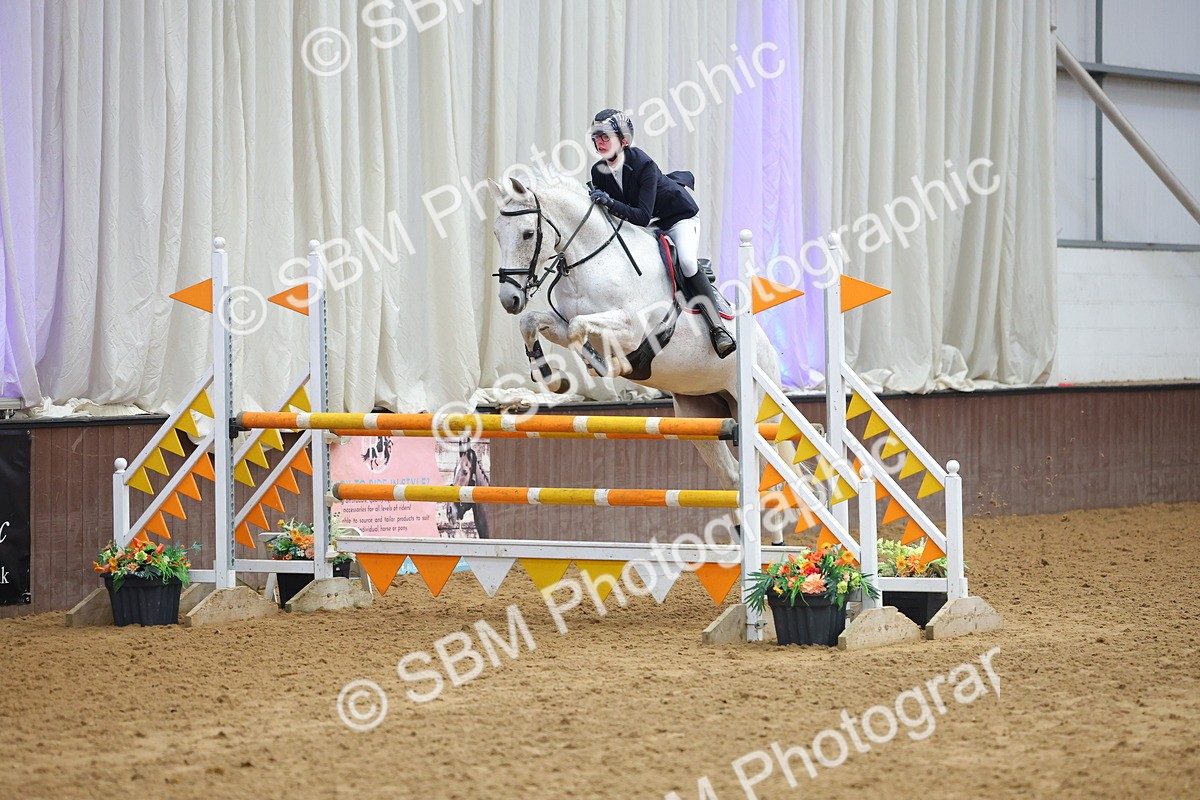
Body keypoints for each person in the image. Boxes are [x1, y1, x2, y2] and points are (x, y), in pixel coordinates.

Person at [586, 108, 736, 358]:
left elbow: (642, 214)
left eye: (605, 137)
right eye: (596, 137)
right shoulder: (597, 172)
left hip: (678, 218)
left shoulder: (642, 164)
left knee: (687, 262)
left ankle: (717, 328)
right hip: (646, 226)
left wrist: (610, 203)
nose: (599, 142)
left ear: (623, 140)